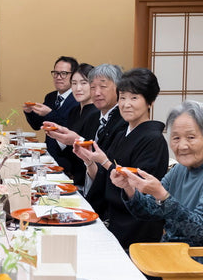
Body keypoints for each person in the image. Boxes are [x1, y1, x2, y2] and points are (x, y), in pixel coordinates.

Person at [110, 100, 203, 247]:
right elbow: (148, 211)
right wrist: (129, 188)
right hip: (172, 252)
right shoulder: (180, 169)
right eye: (176, 138)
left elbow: (199, 230)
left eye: (191, 137)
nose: (182, 146)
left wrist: (162, 195)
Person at [74, 67, 169, 249]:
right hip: (114, 218)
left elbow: (138, 191)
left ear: (150, 101)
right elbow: (104, 178)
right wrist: (89, 161)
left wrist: (105, 162)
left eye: (134, 98)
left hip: (135, 228)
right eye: (123, 97)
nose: (126, 104)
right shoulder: (121, 134)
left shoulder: (153, 140)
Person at [44, 63, 124, 193]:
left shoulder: (122, 121)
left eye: (103, 87)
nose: (97, 93)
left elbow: (108, 159)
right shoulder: (95, 117)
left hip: (108, 193)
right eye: (93, 87)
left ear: (118, 89)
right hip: (87, 185)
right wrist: (61, 134)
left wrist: (78, 140)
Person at [23, 56, 80, 163]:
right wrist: (29, 112)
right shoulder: (51, 97)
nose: (58, 77)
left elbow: (69, 129)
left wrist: (49, 113)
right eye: (56, 73)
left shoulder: (77, 100)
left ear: (73, 76)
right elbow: (37, 125)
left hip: (67, 159)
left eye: (63, 73)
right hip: (49, 155)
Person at [52, 62, 97, 185]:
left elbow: (93, 151)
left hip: (88, 180)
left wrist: (73, 140)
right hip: (72, 176)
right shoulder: (74, 111)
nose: (78, 88)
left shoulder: (97, 113)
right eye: (74, 83)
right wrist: (59, 135)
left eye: (83, 83)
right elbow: (66, 152)